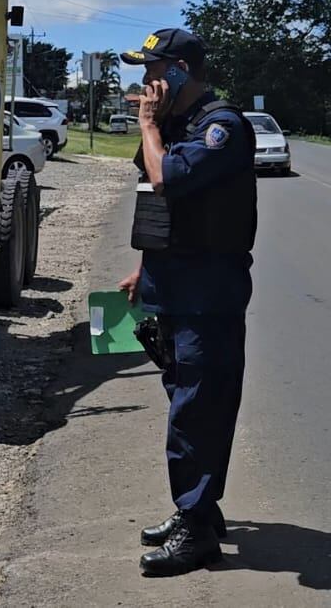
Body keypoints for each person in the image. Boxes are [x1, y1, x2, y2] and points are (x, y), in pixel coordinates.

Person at [113, 28, 257, 577]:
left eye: (151, 72)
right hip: (170, 288)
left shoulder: (222, 128)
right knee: (184, 399)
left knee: (197, 411)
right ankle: (196, 511)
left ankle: (197, 531)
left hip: (208, 294)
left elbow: (166, 178)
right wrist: (143, 269)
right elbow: (155, 207)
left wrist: (149, 127)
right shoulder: (175, 123)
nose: (143, 84)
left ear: (177, 71)